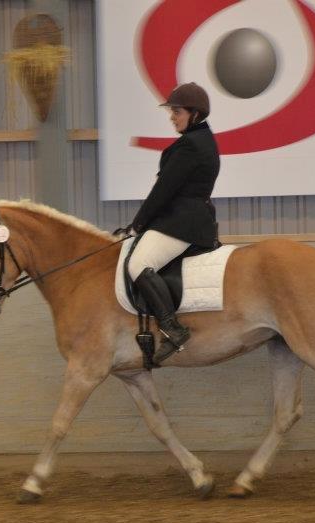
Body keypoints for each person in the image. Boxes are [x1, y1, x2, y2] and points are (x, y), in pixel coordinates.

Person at [121, 82, 220, 363]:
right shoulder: (202, 140)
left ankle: (172, 328)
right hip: (188, 217)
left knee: (138, 264)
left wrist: (137, 224)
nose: (172, 117)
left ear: (195, 114)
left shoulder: (190, 145)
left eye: (177, 111)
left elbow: (163, 191)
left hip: (183, 222)